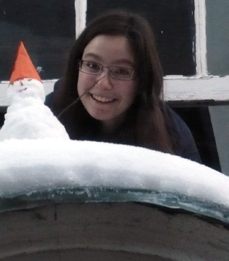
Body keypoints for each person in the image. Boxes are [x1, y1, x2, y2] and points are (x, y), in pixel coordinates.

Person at [47, 10, 200, 162]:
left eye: (121, 71)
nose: (103, 83)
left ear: (143, 80)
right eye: (92, 65)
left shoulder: (172, 137)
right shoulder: (48, 113)